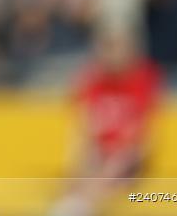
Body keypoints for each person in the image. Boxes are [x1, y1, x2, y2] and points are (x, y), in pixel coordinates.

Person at [49, 28, 162, 216]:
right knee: (87, 157)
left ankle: (82, 202)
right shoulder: (94, 79)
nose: (111, 55)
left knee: (120, 158)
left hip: (129, 163)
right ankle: (80, 199)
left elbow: (142, 139)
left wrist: (111, 161)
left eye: (116, 48)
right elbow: (84, 126)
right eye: (107, 48)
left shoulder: (144, 78)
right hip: (99, 157)